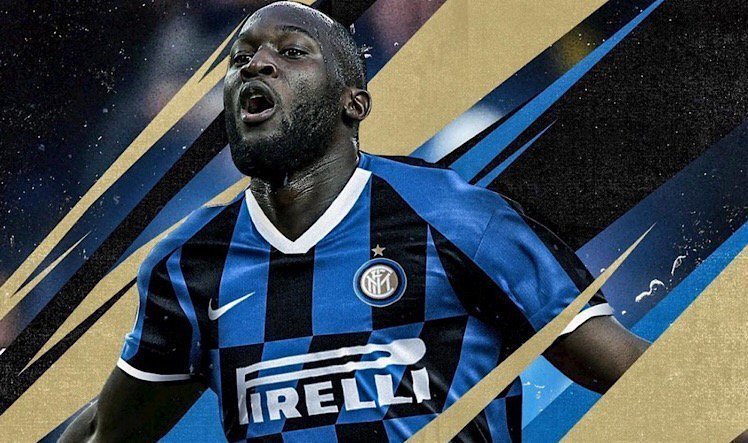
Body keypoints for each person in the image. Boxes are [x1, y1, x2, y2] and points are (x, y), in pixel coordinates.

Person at [60, 2, 648, 442]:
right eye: (240, 59)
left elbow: (637, 375)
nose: (256, 63)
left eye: (292, 52)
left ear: (353, 102)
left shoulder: (459, 221)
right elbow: (105, 432)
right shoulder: (189, 262)